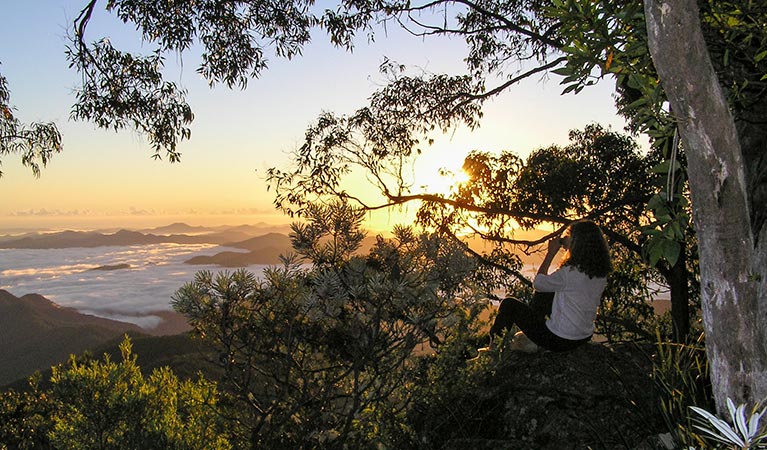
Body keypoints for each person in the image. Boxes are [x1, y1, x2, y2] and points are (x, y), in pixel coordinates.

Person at [486, 220, 612, 352]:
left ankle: (494, 347)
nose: (565, 239)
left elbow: (538, 283)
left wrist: (550, 253)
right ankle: (532, 337)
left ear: (577, 242)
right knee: (546, 292)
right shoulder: (600, 272)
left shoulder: (570, 272)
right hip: (583, 336)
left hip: (559, 339)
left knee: (509, 304)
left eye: (569, 236)